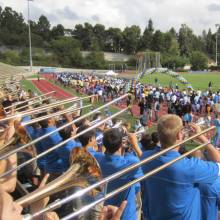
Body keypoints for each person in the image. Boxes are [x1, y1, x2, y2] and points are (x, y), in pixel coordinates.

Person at [141, 114, 220, 220]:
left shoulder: (145, 157)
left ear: (159, 136)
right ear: (179, 135)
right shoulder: (188, 167)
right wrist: (202, 137)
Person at [98, 128, 143, 220]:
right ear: (120, 145)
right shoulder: (131, 162)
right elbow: (149, 164)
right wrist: (135, 145)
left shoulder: (97, 159)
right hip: (126, 213)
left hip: (106, 210)